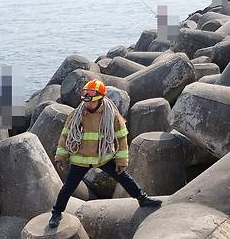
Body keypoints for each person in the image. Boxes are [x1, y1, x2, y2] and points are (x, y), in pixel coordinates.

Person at [49, 80, 161, 228]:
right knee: (68, 187)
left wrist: (122, 162)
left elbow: (122, 139)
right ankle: (56, 213)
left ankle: (142, 198)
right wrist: (60, 158)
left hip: (104, 157)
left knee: (124, 178)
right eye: (85, 101)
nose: (87, 104)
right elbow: (65, 137)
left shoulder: (113, 117)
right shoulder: (76, 115)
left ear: (101, 99)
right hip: (80, 159)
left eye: (91, 102)